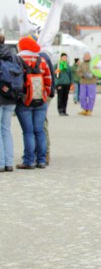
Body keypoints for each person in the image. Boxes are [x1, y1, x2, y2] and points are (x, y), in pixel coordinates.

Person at [15, 36, 53, 170]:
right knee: (40, 131)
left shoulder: (18, 59)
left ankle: (29, 161)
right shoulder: (41, 60)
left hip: (24, 101)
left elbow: (15, 80)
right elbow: (48, 80)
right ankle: (41, 160)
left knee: (28, 132)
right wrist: (44, 94)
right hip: (40, 100)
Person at [0, 34, 21, 172]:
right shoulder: (14, 56)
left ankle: (1, 163)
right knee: (6, 130)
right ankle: (8, 162)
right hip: (11, 97)